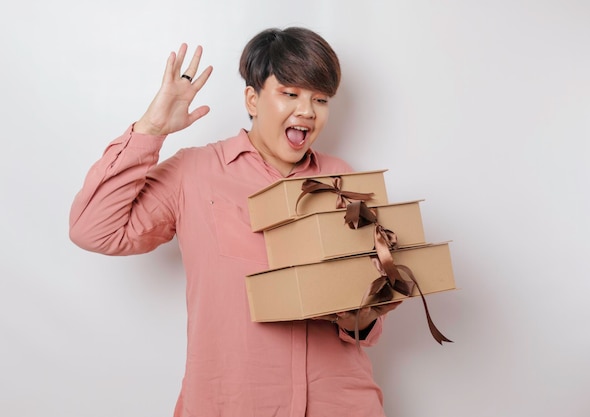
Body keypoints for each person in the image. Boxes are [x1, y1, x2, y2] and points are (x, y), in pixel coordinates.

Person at [69, 27, 400, 417]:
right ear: (253, 99)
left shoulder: (343, 179)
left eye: (320, 99)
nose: (307, 111)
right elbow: (94, 228)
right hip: (233, 404)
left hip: (341, 403)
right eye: (290, 93)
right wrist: (152, 128)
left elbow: (367, 320)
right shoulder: (194, 173)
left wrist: (361, 315)